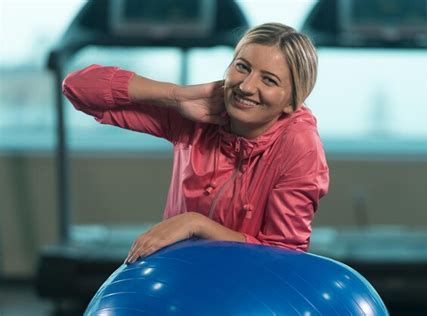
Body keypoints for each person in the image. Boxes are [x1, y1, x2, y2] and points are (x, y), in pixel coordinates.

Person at [62, 22, 329, 263]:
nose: (246, 86)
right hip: (178, 277)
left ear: (292, 102)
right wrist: (176, 95)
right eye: (242, 67)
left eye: (268, 80)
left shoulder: (299, 145)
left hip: (247, 286)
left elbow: (284, 256)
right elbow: (78, 88)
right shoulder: (198, 113)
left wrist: (197, 225)